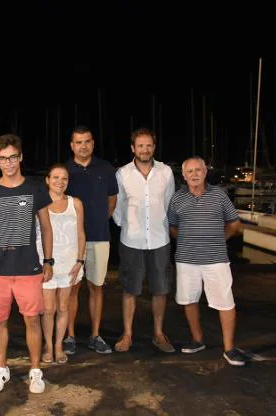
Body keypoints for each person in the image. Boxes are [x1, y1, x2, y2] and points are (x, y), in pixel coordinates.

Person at [0, 133, 53, 394]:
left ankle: (35, 370)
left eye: (12, 157)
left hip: (28, 268)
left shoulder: (35, 189)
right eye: (2, 159)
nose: (7, 163)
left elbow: (46, 226)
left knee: (32, 320)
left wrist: (48, 260)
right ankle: (1, 368)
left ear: (20, 158)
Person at [167, 156, 246, 366]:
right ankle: (197, 340)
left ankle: (229, 348)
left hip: (216, 260)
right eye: (189, 171)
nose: (194, 174)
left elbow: (234, 223)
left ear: (205, 172)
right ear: (183, 176)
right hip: (186, 260)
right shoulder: (177, 199)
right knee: (189, 300)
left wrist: (220, 238)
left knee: (225, 302)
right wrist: (188, 240)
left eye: (198, 170)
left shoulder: (219, 195)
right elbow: (173, 227)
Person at [112, 128, 175, 353]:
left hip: (159, 239)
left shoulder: (166, 172)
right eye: (140, 146)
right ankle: (127, 334)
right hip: (132, 241)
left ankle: (158, 334)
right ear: (133, 148)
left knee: (160, 289)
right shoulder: (122, 174)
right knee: (130, 289)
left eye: (148, 145)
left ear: (154, 148)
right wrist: (128, 226)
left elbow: (169, 203)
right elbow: (118, 208)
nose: (145, 149)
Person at [64, 125, 118, 355]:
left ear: (93, 144)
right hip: (71, 241)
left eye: (87, 141)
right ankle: (70, 336)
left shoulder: (106, 169)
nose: (83, 145)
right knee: (72, 289)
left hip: (99, 238)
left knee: (96, 287)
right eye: (78, 142)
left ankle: (95, 335)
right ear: (72, 145)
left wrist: (98, 220)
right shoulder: (65, 170)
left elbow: (112, 200)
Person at [36, 164, 86, 365]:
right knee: (48, 309)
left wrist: (80, 260)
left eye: (64, 178)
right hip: (46, 264)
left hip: (69, 264)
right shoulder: (39, 203)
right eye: (55, 177)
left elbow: (81, 233)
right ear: (47, 180)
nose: (60, 182)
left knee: (64, 307)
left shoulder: (76, 203)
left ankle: (58, 346)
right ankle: (48, 345)